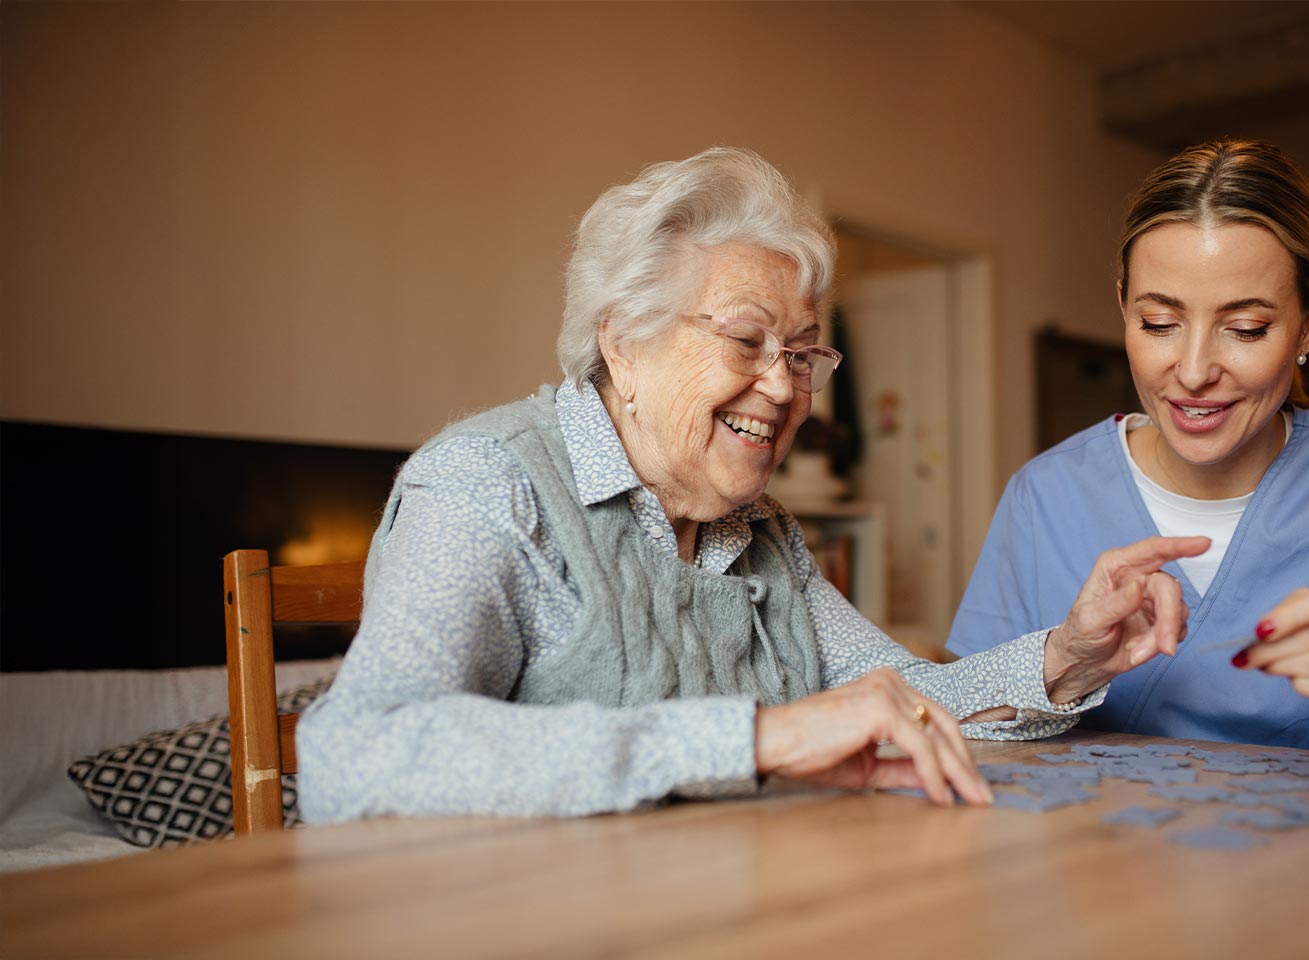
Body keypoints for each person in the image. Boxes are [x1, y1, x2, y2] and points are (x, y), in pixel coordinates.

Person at [300, 147, 1206, 823]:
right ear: (624, 340)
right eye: (746, 341)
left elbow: (905, 700)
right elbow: (358, 752)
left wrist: (1071, 658)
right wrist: (759, 739)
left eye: (803, 353)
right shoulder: (490, 484)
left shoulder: (760, 530)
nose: (784, 386)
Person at [949, 139, 1309, 761]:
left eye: (1245, 329)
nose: (1194, 370)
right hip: (1102, 854)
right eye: (1158, 323)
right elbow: (963, 719)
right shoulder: (1046, 494)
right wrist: (1065, 662)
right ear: (1123, 305)